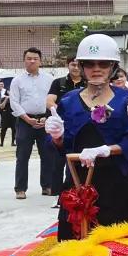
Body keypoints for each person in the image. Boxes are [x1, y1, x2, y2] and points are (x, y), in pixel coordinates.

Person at [44, 35, 128, 240]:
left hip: (117, 183)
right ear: (81, 67)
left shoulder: (127, 99)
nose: (96, 68)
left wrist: (106, 150)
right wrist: (56, 137)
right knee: (75, 247)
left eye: (103, 63)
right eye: (89, 63)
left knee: (121, 249)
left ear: (113, 67)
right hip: (78, 183)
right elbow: (61, 147)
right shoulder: (69, 100)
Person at [10, 48, 56, 200]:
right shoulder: (17, 80)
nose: (32, 61)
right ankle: (20, 188)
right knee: (22, 156)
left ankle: (47, 185)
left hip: (45, 120)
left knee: (48, 155)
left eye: (35, 58)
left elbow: (53, 100)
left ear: (40, 61)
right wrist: (26, 118)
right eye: (29, 58)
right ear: (24, 60)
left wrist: (46, 117)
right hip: (25, 121)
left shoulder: (49, 79)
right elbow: (14, 102)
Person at [46, 58, 87, 198]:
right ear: (67, 65)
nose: (75, 68)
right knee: (57, 161)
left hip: (80, 125)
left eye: (78, 65)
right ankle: (56, 193)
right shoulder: (59, 82)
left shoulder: (87, 83)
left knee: (75, 163)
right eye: (72, 64)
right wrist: (63, 112)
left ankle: (73, 191)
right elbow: (50, 101)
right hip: (61, 124)